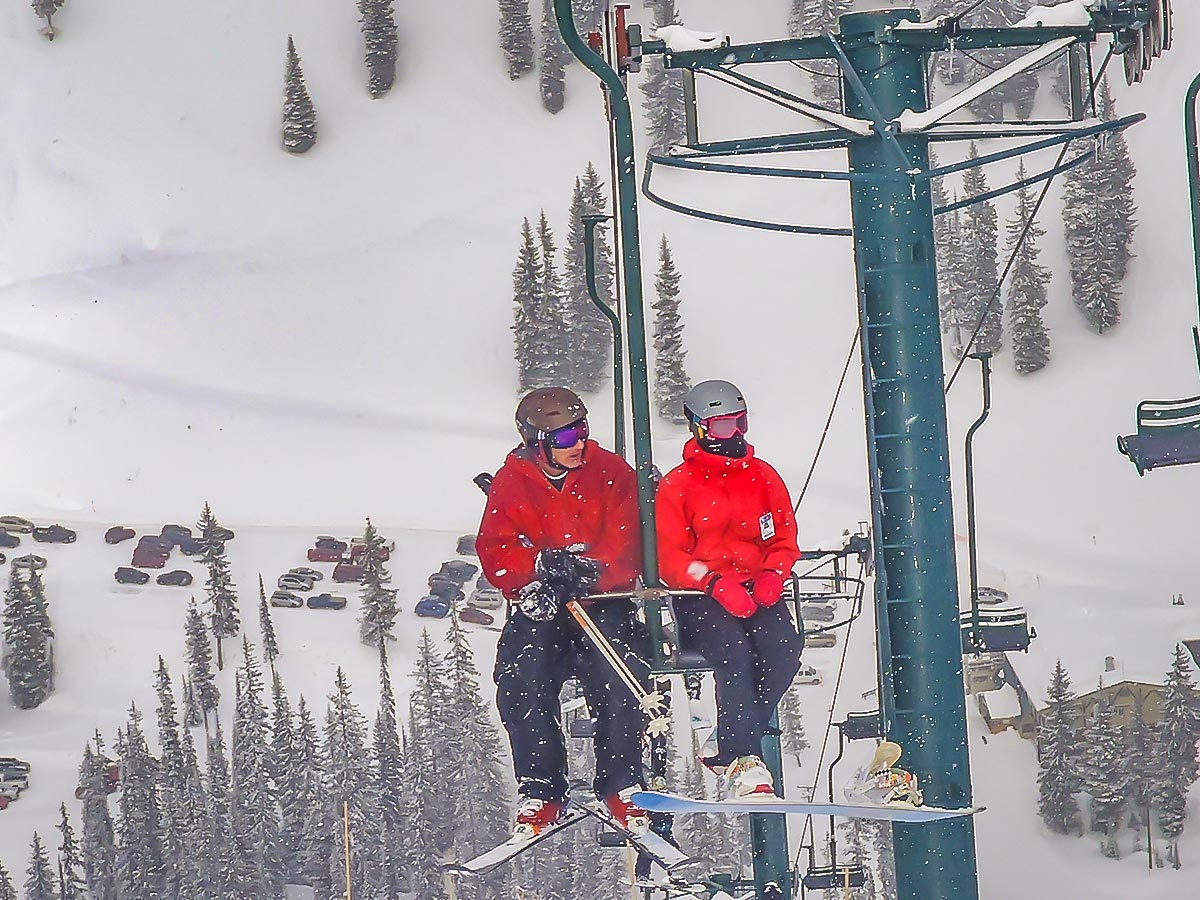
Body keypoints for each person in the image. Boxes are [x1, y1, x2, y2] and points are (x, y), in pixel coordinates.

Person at [477, 387, 650, 836]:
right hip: (545, 601)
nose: (578, 443)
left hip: (601, 601)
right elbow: (496, 549)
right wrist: (533, 573)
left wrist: (585, 571)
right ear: (537, 442)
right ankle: (541, 787)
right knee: (521, 677)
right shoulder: (512, 482)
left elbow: (628, 540)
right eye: (566, 435)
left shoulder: (610, 472)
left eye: (582, 430)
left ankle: (622, 781)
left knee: (619, 676)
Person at [655, 379, 803, 798]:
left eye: (740, 423)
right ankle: (741, 756)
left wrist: (774, 572)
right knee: (733, 654)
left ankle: (730, 739)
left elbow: (783, 536)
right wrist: (712, 581)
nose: (735, 435)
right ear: (700, 428)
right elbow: (671, 557)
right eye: (723, 427)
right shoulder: (679, 485)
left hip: (755, 586)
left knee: (783, 649)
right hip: (701, 597)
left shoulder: (762, 477)